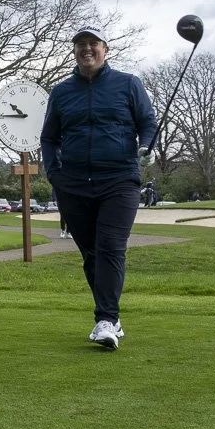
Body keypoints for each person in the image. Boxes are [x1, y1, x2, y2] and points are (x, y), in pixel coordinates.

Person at [39, 26, 157, 352]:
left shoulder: (128, 84)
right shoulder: (61, 92)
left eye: (93, 44)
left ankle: (105, 318)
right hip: (73, 184)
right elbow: (49, 138)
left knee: (109, 247)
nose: (86, 49)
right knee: (91, 255)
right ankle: (111, 320)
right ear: (74, 51)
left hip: (119, 178)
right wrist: (54, 174)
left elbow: (147, 122)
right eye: (81, 45)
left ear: (106, 49)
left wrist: (146, 145)